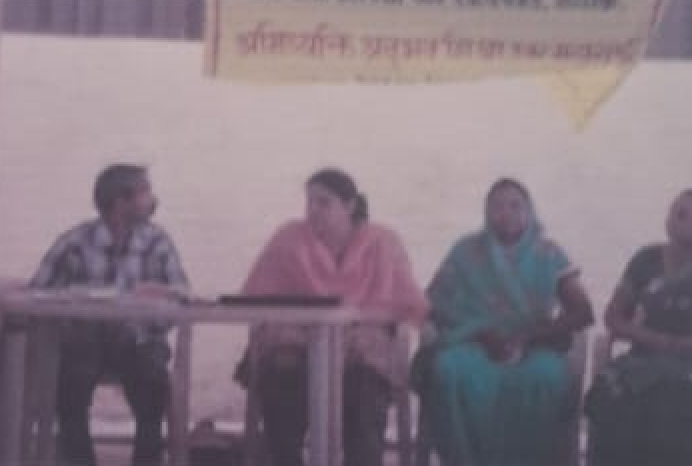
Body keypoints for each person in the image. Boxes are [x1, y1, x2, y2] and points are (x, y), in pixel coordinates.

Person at [235, 168, 428, 466]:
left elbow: (408, 301)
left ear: (350, 206)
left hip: (361, 352)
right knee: (280, 380)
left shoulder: (383, 242)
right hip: (297, 345)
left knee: (364, 394)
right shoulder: (289, 239)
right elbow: (256, 299)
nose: (313, 210)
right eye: (309, 202)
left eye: (323, 202)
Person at [412, 178, 593, 466]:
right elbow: (433, 302)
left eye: (515, 206)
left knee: (548, 376)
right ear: (486, 212)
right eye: (497, 206)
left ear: (529, 211)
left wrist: (530, 336)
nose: (506, 213)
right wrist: (481, 331)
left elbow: (583, 312)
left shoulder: (548, 253)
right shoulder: (466, 251)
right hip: (474, 342)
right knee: (447, 369)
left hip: (533, 346)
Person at [30, 164, 189, 466]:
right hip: (83, 341)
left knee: (152, 385)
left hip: (140, 339)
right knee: (69, 385)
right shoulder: (75, 242)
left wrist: (154, 307)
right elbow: (38, 295)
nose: (152, 199)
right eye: (144, 192)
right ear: (120, 202)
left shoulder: (157, 241)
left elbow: (181, 297)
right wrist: (70, 309)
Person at [586, 189, 692, 466]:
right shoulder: (647, 259)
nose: (686, 223)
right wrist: (651, 338)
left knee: (673, 399)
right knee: (614, 393)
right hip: (644, 356)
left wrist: (679, 345)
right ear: (668, 220)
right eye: (680, 214)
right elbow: (613, 316)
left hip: (687, 364)